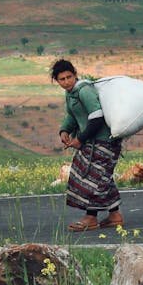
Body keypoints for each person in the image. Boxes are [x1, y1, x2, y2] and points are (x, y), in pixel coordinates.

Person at [52, 59, 125, 232]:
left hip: (104, 141)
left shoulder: (84, 90)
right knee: (100, 176)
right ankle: (115, 216)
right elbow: (72, 115)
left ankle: (90, 218)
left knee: (91, 178)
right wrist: (64, 130)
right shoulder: (71, 94)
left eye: (69, 77)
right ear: (57, 81)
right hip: (92, 142)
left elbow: (97, 116)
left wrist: (80, 138)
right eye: (62, 79)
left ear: (75, 75)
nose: (66, 81)